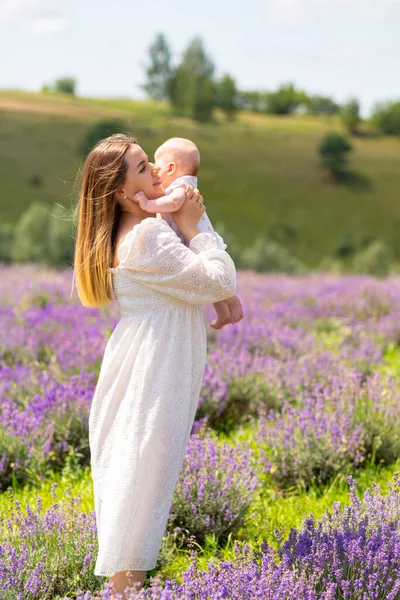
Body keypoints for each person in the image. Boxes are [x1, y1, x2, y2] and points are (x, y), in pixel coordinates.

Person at [73, 133, 237, 599]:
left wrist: (183, 222)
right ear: (124, 193)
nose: (157, 173)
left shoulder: (142, 227)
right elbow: (219, 279)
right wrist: (195, 226)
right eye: (144, 167)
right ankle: (125, 592)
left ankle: (125, 589)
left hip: (146, 359)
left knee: (137, 476)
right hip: (154, 368)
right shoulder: (145, 234)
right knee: (141, 481)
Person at [133, 137, 244, 330]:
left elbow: (174, 204)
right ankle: (223, 314)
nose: (154, 172)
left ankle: (231, 300)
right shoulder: (181, 186)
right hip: (194, 241)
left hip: (198, 240)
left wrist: (147, 204)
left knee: (213, 279)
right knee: (210, 284)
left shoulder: (180, 187)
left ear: (170, 169)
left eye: (157, 167)